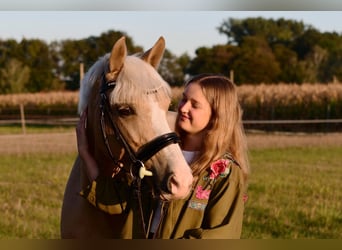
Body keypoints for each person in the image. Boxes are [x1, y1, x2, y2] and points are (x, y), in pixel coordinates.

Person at [76, 73, 250, 239]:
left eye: (194, 105)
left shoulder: (224, 173)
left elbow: (221, 235)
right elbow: (118, 201)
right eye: (183, 99)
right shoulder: (158, 156)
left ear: (217, 115)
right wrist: (85, 153)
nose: (183, 107)